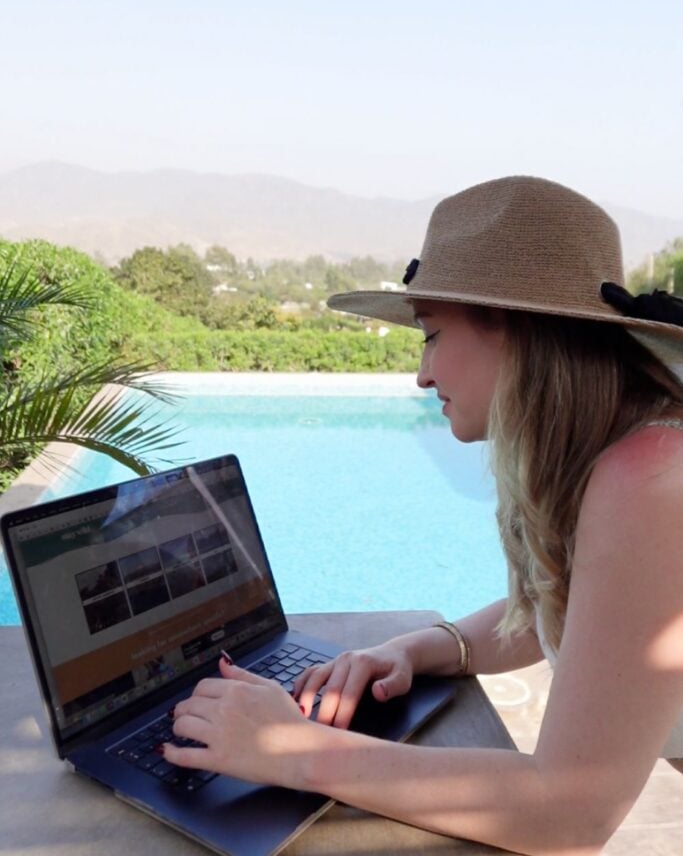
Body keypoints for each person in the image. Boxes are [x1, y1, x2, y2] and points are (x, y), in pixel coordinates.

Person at [165, 176, 683, 855]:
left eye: (432, 334)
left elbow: (568, 813)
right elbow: (581, 620)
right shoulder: (613, 450)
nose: (421, 374)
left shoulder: (648, 476)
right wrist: (418, 648)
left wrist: (291, 749)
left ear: (518, 333)